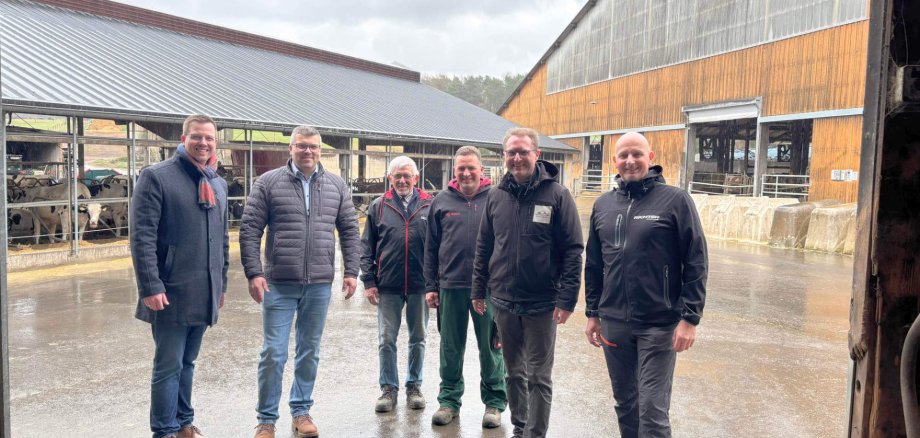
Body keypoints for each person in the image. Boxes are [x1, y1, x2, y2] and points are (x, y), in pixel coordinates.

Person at [239, 125, 361, 438]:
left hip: (319, 283)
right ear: (290, 149)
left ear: (321, 151)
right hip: (278, 283)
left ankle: (301, 411)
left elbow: (349, 229)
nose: (308, 152)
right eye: (302, 146)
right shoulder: (268, 183)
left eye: (314, 147)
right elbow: (250, 229)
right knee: (274, 353)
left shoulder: (335, 185)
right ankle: (266, 420)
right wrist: (254, 273)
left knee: (309, 351)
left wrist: (351, 271)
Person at [583, 132, 708, 438]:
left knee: (652, 411)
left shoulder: (675, 201)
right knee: (626, 406)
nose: (630, 161)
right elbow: (595, 265)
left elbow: (696, 260)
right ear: (615, 161)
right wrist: (592, 313)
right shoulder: (603, 205)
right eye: (623, 155)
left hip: (659, 324)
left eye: (637, 154)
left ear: (651, 158)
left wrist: (690, 318)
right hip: (615, 323)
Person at [471, 127, 584, 438]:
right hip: (504, 302)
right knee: (513, 373)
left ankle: (535, 433)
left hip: (542, 303)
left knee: (538, 376)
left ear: (537, 154)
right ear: (504, 156)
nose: (517, 157)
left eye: (523, 151)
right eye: (511, 152)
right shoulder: (496, 196)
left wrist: (567, 299)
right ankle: (521, 426)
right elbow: (484, 246)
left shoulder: (557, 195)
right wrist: (478, 290)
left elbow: (573, 250)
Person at [131, 114, 229, 438]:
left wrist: (221, 284)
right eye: (197, 137)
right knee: (168, 365)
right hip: (169, 290)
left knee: (188, 362)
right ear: (183, 138)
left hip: (205, 289)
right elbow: (142, 235)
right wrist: (150, 285)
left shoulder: (218, 183)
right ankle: (164, 430)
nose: (203, 143)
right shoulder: (157, 177)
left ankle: (185, 423)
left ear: (216, 143)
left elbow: (222, 239)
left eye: (209, 139)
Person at [424, 146, 506, 428]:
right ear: (454, 170)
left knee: (491, 347)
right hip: (451, 286)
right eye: (461, 168)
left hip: (489, 288)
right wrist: (430, 285)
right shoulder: (441, 201)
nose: (466, 173)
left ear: (481, 169)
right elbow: (431, 247)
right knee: (450, 347)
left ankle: (494, 403)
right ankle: (448, 401)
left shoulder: (496, 198)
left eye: (471, 167)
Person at [360, 156, 432, 413]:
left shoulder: (429, 205)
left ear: (416, 178)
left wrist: (435, 283)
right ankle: (389, 389)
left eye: (407, 175)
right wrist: (369, 280)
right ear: (389, 178)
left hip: (419, 285)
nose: (402, 180)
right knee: (386, 339)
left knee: (418, 337)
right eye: (397, 176)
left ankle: (414, 386)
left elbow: (438, 248)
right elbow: (366, 247)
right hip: (387, 285)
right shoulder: (378, 206)